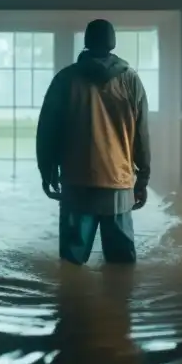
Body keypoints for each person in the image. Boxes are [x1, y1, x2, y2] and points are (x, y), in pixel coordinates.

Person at [36, 19, 150, 265]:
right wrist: (143, 179)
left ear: (87, 42)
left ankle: (71, 303)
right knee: (122, 267)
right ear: (112, 43)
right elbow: (141, 134)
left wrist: (47, 171)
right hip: (118, 184)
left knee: (71, 265)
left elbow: (47, 131)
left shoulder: (65, 79)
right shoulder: (131, 81)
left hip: (76, 182)